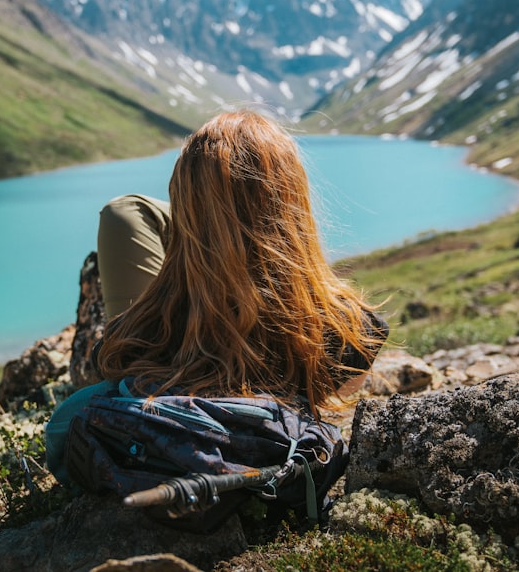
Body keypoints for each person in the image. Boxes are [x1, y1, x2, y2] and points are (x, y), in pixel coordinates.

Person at [45, 110, 387, 482]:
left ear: (184, 210)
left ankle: (212, 202)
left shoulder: (152, 329)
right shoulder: (357, 330)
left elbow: (108, 362)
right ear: (295, 203)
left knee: (127, 212)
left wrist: (205, 228)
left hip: (157, 404)